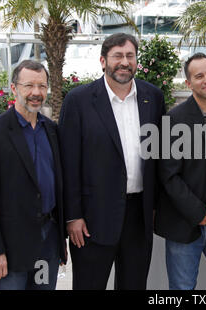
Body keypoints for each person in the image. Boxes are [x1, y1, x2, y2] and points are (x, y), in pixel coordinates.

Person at [58, 33, 165, 290]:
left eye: (130, 56)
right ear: (103, 61)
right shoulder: (79, 100)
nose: (124, 62)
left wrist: (156, 205)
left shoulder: (153, 97)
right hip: (92, 220)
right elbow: (68, 162)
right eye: (117, 56)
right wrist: (73, 216)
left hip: (139, 217)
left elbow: (159, 156)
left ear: (137, 61)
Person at [0, 60, 67, 290]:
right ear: (14, 88)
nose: (36, 93)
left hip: (49, 239)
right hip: (12, 244)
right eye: (29, 86)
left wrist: (60, 241)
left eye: (42, 86)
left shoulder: (52, 130)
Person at [155, 53, 206, 290]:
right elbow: (168, 176)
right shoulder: (174, 119)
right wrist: (197, 211)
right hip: (186, 221)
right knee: (182, 288)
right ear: (188, 84)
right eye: (199, 76)